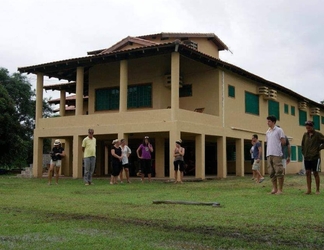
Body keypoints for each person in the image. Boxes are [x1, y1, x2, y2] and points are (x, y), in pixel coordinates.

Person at [301, 120, 324, 194]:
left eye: (309, 127)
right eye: (307, 127)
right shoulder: (305, 135)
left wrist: (319, 148)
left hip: (315, 157)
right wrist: (304, 152)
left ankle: (317, 190)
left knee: (315, 173)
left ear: (312, 127)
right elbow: (303, 144)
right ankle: (309, 190)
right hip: (307, 157)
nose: (308, 128)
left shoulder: (318, 135)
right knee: (307, 172)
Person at [265, 116, 286, 194]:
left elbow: (283, 142)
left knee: (279, 171)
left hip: (277, 154)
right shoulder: (267, 132)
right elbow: (267, 143)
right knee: (271, 172)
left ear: (273, 122)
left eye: (269, 121)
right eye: (267, 121)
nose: (267, 123)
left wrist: (279, 148)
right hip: (269, 154)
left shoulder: (279, 130)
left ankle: (280, 189)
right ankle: (274, 189)